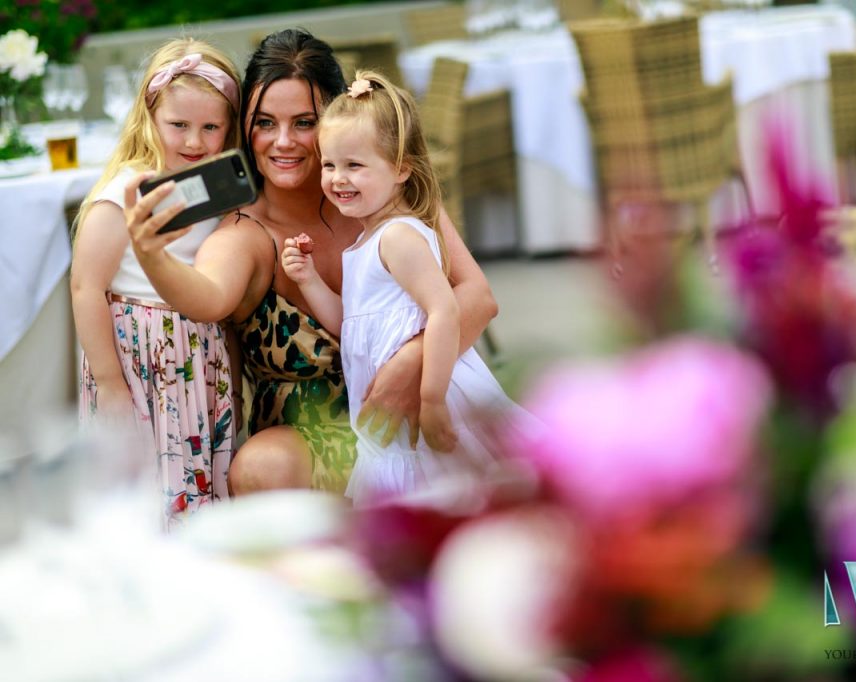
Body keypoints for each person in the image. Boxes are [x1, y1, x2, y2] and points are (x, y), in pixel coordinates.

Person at [124, 29, 497, 494]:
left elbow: (478, 296)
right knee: (260, 466)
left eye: (305, 122)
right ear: (246, 128)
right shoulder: (247, 233)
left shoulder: (389, 195)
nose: (283, 142)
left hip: (422, 410)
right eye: (264, 123)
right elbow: (208, 297)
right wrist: (151, 255)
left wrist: (414, 362)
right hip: (312, 441)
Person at [280, 71, 519, 506]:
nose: (338, 178)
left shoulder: (398, 236)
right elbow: (347, 326)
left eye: (355, 165)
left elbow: (445, 310)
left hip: (434, 397)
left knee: (456, 496)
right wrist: (308, 279)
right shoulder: (364, 244)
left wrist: (429, 400)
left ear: (401, 168)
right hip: (390, 424)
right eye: (330, 165)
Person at [70, 38, 241, 527]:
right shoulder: (126, 191)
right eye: (179, 126)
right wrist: (109, 383)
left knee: (195, 475)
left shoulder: (211, 185)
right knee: (144, 483)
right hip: (139, 359)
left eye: (211, 127)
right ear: (150, 117)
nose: (194, 141)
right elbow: (86, 286)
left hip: (193, 358)